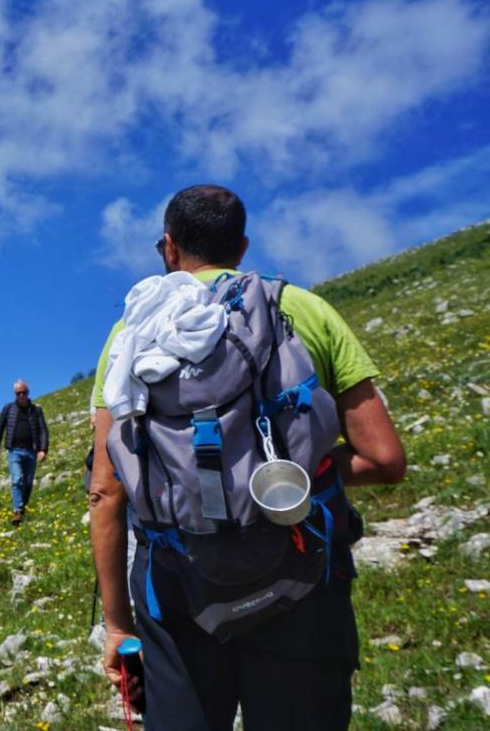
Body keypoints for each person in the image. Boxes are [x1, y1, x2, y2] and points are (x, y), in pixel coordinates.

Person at [88, 184, 406, 731]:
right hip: (302, 571)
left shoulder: (130, 334)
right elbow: (384, 459)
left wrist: (119, 628)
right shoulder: (300, 309)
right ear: (241, 246)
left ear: (168, 249)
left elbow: (107, 491)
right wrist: (285, 481)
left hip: (178, 588)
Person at [0, 379, 50, 524]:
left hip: (31, 451)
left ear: (28, 392)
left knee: (28, 483)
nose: (22, 395)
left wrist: (43, 449)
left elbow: (43, 430)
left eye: (24, 392)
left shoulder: (36, 410)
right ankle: (17, 510)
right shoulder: (8, 409)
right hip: (14, 451)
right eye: (18, 393)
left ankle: (22, 507)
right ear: (15, 394)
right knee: (17, 479)